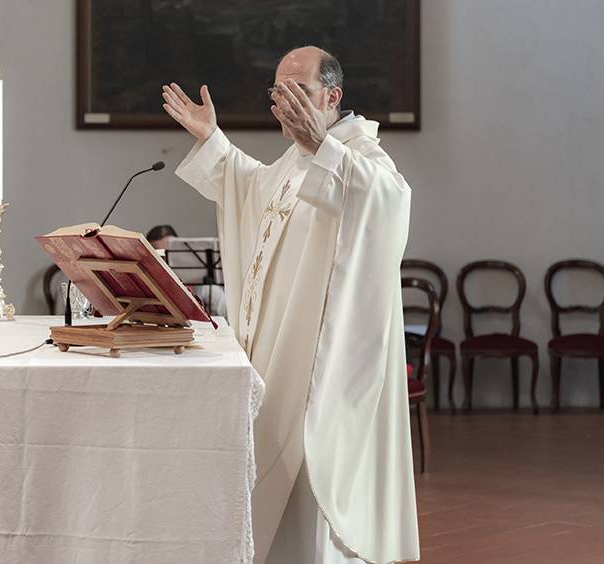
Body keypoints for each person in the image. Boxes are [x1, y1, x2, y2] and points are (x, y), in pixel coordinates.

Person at [163, 46, 419, 563]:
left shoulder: (359, 153)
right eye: (277, 93)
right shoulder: (292, 162)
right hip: (275, 356)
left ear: (332, 96)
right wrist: (212, 140)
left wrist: (324, 148)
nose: (284, 105)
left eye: (297, 91)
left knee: (307, 485)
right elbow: (250, 186)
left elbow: (390, 203)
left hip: (320, 369)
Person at [146, 224, 227, 317]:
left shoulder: (201, 285)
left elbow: (227, 314)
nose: (166, 260)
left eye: (169, 253)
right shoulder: (149, 285)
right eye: (161, 255)